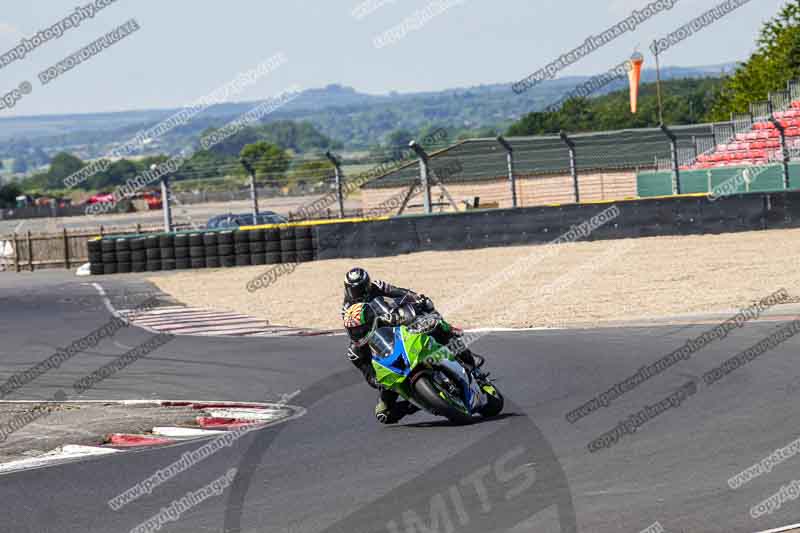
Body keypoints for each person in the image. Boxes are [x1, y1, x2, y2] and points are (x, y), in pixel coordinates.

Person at [341, 267, 480, 424]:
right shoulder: (349, 320)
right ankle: (421, 400)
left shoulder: (377, 286)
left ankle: (463, 352)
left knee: (432, 320)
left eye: (361, 287)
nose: (359, 292)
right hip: (384, 355)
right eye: (355, 289)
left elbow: (399, 292)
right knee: (383, 414)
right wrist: (377, 381)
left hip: (392, 324)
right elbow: (369, 375)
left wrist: (415, 299)